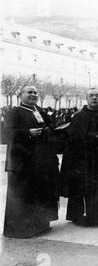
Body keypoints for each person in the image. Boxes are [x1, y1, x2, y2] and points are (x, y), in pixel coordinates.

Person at [3, 85, 60, 238]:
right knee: (23, 195)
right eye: (29, 92)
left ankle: (40, 225)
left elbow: (50, 128)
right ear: (21, 95)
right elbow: (6, 133)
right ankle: (21, 230)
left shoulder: (40, 111)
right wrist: (27, 133)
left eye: (35, 92)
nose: (33, 95)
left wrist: (48, 131)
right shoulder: (14, 112)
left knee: (39, 193)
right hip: (21, 161)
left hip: (40, 161)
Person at [60, 88, 98, 226]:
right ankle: (78, 215)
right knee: (81, 188)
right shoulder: (79, 116)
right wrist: (92, 138)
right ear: (86, 98)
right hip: (83, 160)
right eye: (91, 95)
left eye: (97, 95)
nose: (94, 98)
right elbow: (73, 138)